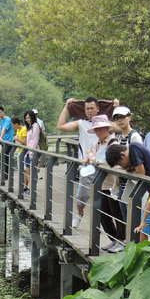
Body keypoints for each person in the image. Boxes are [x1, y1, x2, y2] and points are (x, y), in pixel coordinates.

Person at [57, 97, 101, 229]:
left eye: (92, 108)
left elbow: (121, 127)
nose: (89, 111)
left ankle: (103, 225)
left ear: (98, 109)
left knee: (105, 197)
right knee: (83, 195)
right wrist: (66, 107)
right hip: (86, 164)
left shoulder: (105, 124)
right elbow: (61, 126)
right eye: (87, 108)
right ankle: (79, 214)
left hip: (102, 164)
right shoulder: (81, 123)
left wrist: (116, 107)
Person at [23, 110, 41, 192]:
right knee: (27, 170)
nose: (27, 119)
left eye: (29, 117)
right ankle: (31, 188)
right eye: (26, 118)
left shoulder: (35, 126)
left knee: (31, 171)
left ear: (32, 117)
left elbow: (35, 140)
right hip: (28, 151)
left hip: (33, 152)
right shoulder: (30, 126)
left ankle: (32, 189)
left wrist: (31, 152)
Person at [0, 106, 14, 180]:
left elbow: (4, 128)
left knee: (4, 158)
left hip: (8, 142)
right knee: (3, 159)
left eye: (0, 112)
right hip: (4, 143)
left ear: (3, 112)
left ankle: (6, 176)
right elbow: (0, 128)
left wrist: (1, 137)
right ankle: (5, 175)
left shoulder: (7, 120)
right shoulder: (1, 120)